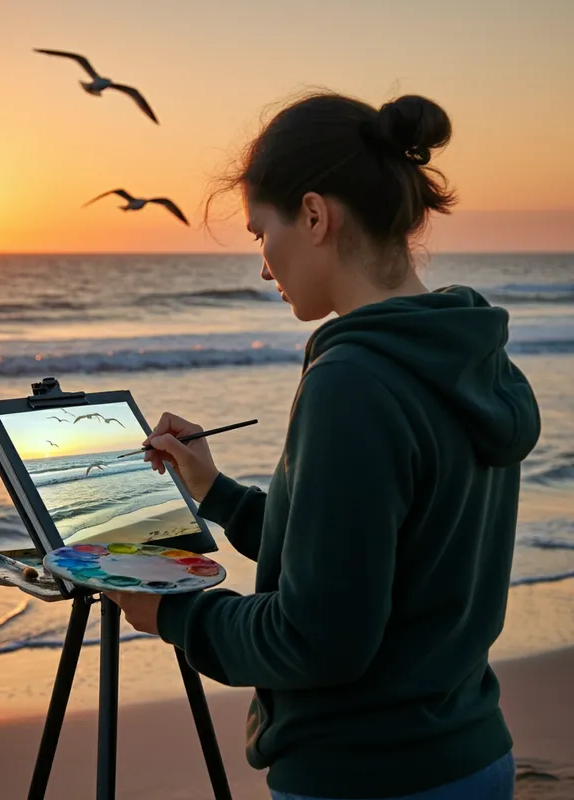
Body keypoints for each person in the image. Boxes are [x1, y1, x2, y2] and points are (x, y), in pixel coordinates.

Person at [106, 90, 541, 799]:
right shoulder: (470, 357)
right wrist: (217, 495)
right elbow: (378, 557)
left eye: (259, 234)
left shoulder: (353, 381)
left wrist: (174, 613)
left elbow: (317, 639)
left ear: (313, 215)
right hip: (470, 754)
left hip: (368, 775)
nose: (264, 266)